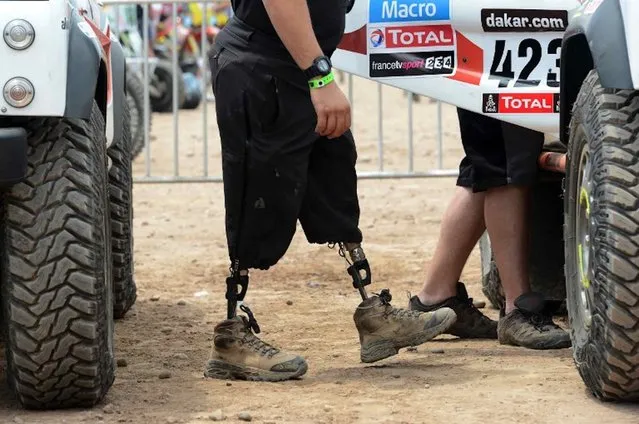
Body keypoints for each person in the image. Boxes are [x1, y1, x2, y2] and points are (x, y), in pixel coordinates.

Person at [204, 0, 458, 382]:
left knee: (333, 185)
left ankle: (374, 318)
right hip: (261, 67)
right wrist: (320, 77)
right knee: (256, 200)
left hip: (296, 72)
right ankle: (231, 340)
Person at [407, 108, 572, 350]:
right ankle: (518, 308)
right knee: (506, 164)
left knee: (486, 165)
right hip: (497, 79)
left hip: (490, 79)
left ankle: (437, 295)